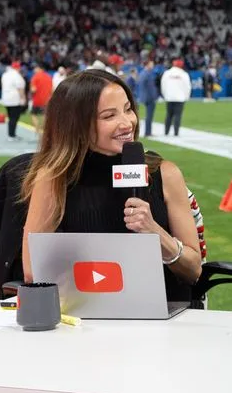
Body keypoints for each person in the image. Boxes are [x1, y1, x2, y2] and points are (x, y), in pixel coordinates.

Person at [16, 70, 203, 297]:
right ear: (76, 125)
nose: (127, 123)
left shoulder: (166, 174)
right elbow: (32, 272)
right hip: (85, 319)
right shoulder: (53, 180)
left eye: (128, 109)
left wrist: (156, 234)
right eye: (109, 116)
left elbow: (194, 271)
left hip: (163, 320)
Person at [160, 59, 191, 136]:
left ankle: (166, 132)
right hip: (180, 98)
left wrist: (165, 95)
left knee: (168, 115)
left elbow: (163, 85)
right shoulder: (184, 74)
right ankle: (176, 133)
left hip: (169, 97)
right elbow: (187, 87)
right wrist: (186, 97)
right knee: (178, 115)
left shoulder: (167, 73)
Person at [0, 62, 27, 141]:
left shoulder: (5, 75)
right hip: (14, 99)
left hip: (6, 98)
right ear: (18, 68)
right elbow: (20, 88)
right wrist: (23, 99)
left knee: (11, 117)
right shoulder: (17, 75)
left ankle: (12, 134)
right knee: (14, 118)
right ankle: (11, 135)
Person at [136, 61, 159, 137]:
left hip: (148, 97)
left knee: (150, 115)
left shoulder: (146, 73)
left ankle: (148, 131)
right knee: (149, 115)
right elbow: (146, 87)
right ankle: (148, 132)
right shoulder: (145, 74)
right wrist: (151, 96)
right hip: (149, 97)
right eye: (151, 64)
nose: (152, 65)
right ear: (147, 65)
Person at [28, 65, 53, 132]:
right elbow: (52, 89)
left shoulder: (35, 77)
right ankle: (43, 130)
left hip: (37, 100)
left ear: (38, 68)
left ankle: (37, 129)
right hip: (47, 100)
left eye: (34, 68)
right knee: (44, 115)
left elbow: (33, 90)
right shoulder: (49, 76)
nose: (33, 70)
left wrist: (30, 94)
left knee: (33, 114)